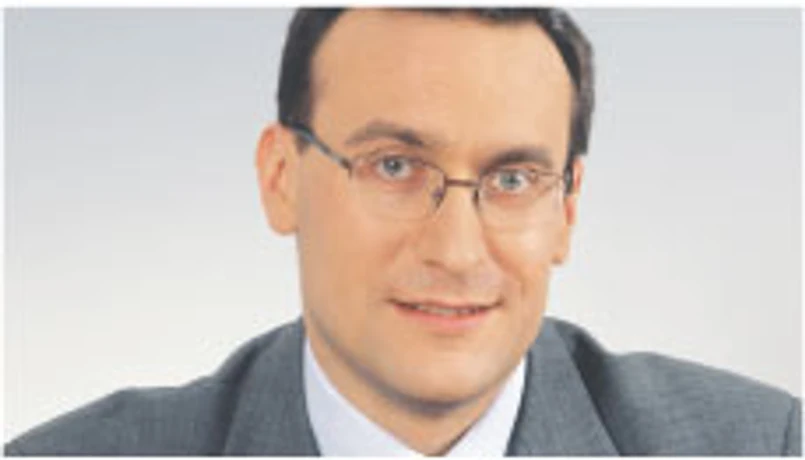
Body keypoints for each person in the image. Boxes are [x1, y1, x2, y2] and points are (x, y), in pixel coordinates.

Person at [5, 7, 800, 456]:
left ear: (566, 209)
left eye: (512, 180)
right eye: (394, 166)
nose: (455, 252)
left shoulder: (761, 446)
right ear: (281, 178)